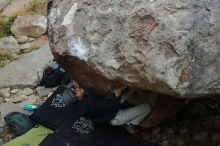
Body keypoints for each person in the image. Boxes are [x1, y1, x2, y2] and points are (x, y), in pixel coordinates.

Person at [62, 82, 151, 134]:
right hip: (115, 117)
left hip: (105, 115)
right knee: (147, 107)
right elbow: (113, 106)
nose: (77, 89)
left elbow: (105, 105)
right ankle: (131, 124)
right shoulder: (91, 101)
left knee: (126, 92)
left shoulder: (76, 105)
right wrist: (117, 95)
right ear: (76, 98)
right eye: (75, 92)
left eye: (74, 89)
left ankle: (126, 102)